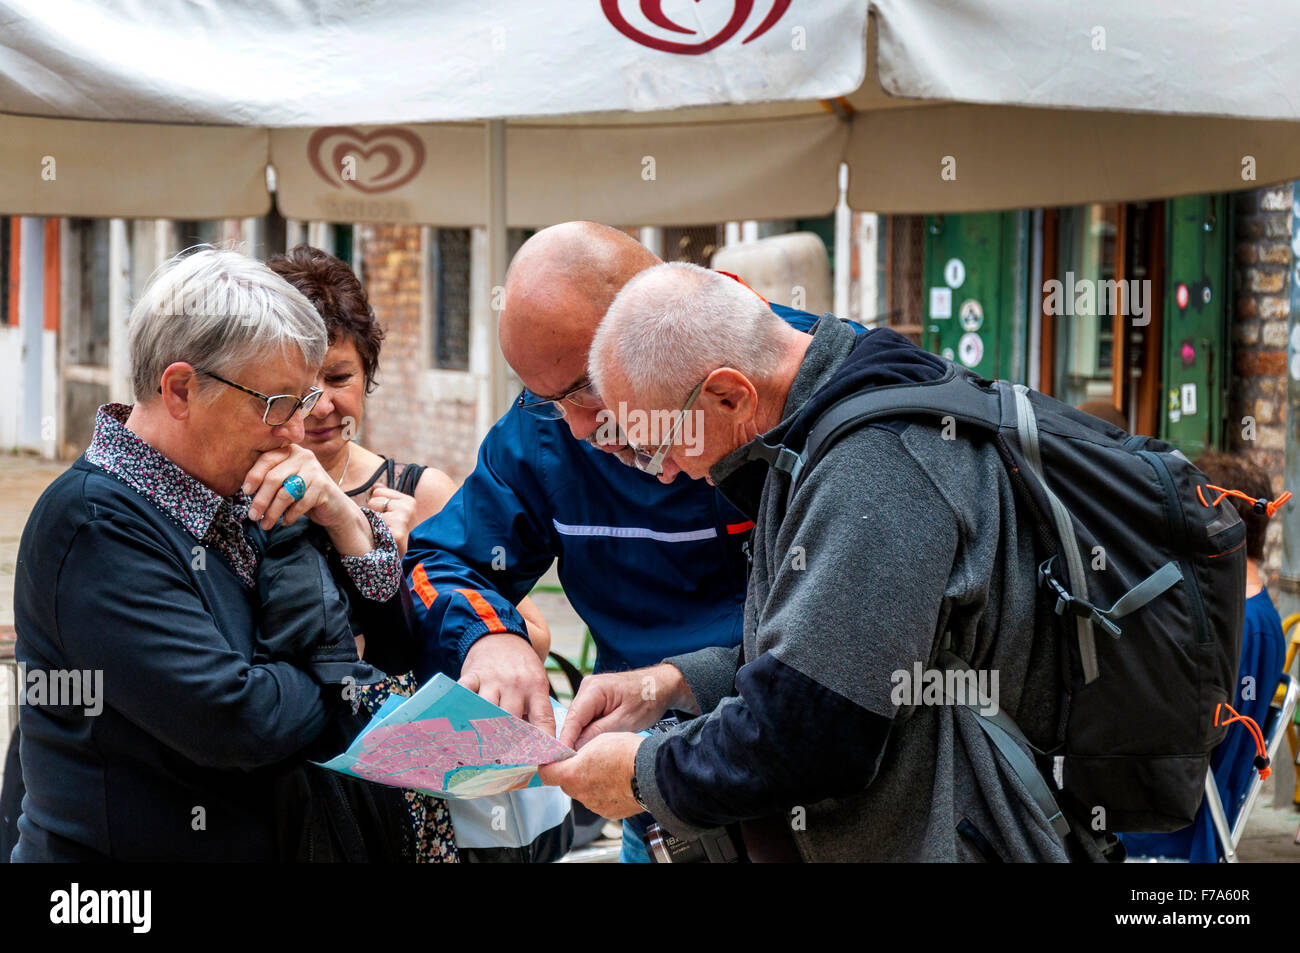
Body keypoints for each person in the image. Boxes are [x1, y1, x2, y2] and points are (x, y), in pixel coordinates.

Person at [542, 261, 1102, 862]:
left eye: (654, 446)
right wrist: (673, 685)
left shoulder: (875, 467)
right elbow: (836, 653)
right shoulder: (820, 425)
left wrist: (639, 774)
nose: (664, 471)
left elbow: (810, 735)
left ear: (729, 394)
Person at [402, 221, 823, 862]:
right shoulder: (545, 426)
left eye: (584, 390)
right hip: (650, 801)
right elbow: (443, 557)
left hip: (812, 799)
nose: (575, 428)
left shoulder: (805, 385)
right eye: (545, 399)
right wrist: (490, 634)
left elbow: (843, 658)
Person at [10, 249, 402, 861]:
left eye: (299, 404)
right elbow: (238, 722)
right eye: (275, 405)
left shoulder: (236, 489)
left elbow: (390, 634)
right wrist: (337, 669)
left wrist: (341, 513)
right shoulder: (93, 524)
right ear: (181, 389)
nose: (295, 433)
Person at [267, 244, 551, 863]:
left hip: (413, 792)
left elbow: (528, 635)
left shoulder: (421, 492)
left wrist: (407, 575)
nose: (319, 406)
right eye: (296, 385)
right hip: (294, 787)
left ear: (367, 376)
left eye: (338, 378)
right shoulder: (245, 493)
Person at [1120, 452, 1286, 861]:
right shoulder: (1248, 615)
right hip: (1172, 822)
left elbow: (1196, 741)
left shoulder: (1242, 626)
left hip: (1174, 837)